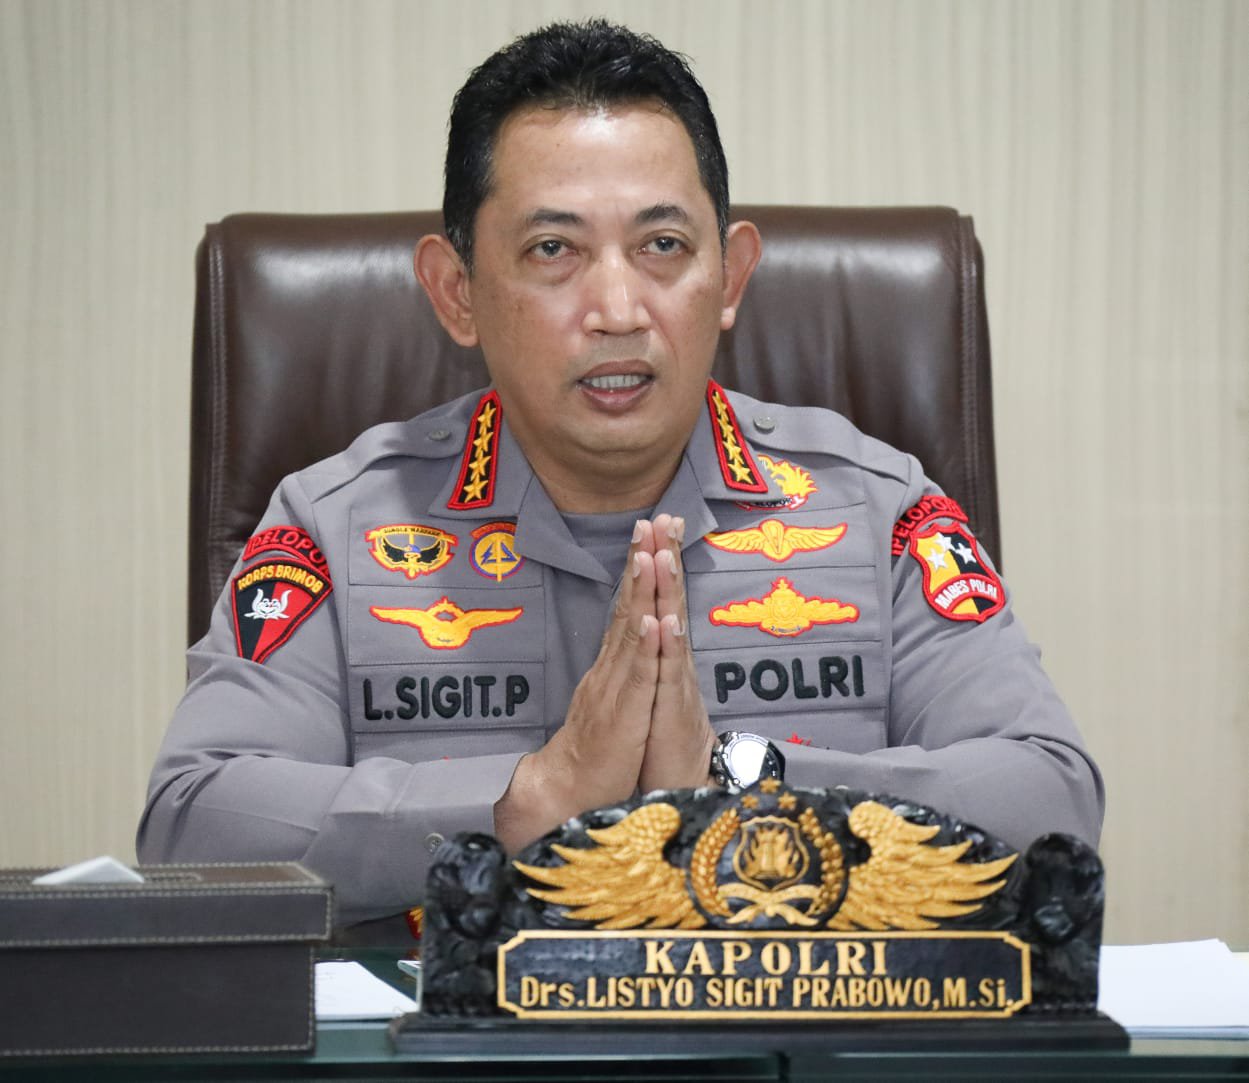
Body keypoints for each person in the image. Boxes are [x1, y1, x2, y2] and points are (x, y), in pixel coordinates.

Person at [137, 19, 1103, 937]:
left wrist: (735, 782)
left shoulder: (881, 510)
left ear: (729, 278)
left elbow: (1051, 803)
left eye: (662, 246)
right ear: (457, 291)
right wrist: (525, 799)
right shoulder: (335, 527)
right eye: (552, 249)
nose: (617, 308)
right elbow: (192, 824)